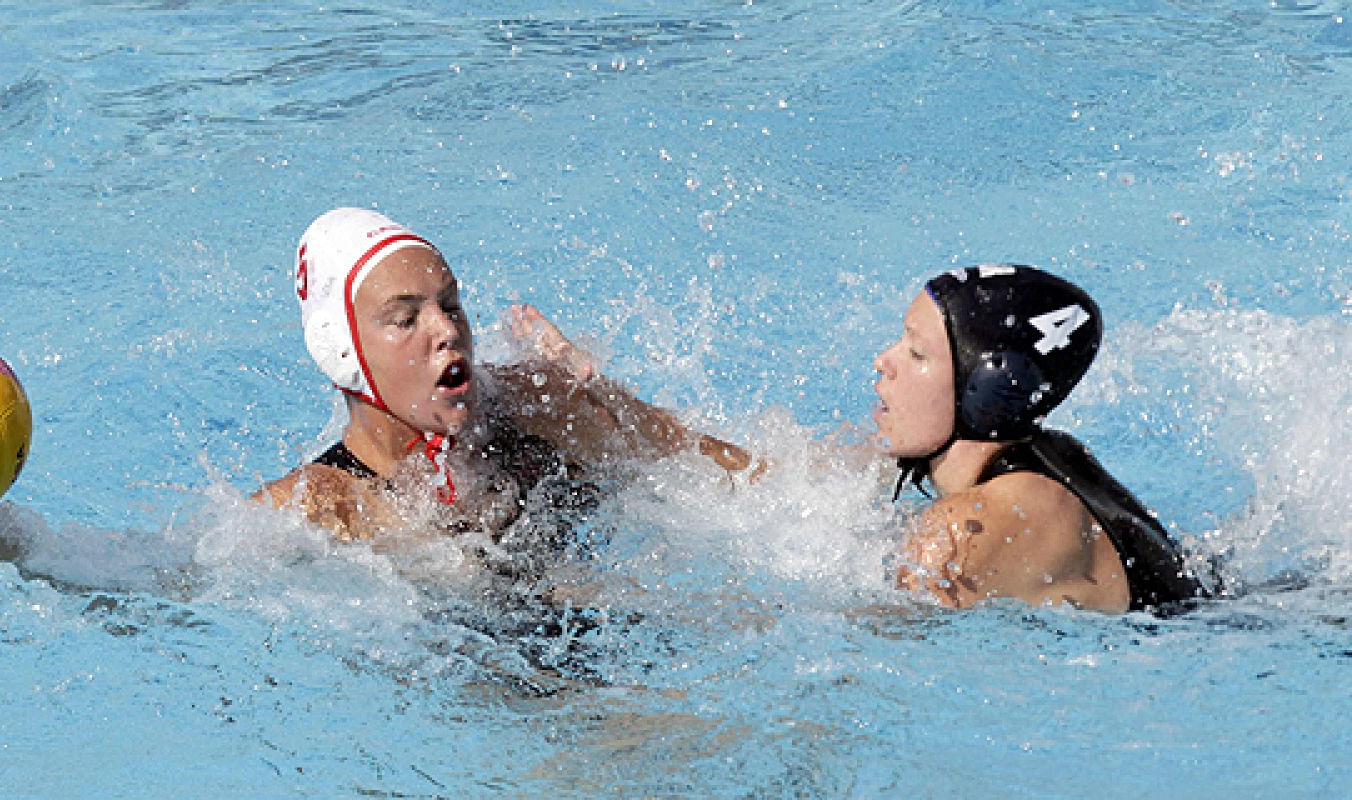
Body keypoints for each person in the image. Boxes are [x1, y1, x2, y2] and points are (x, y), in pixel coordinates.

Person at [254, 207, 755, 563]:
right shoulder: (315, 509)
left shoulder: (532, 405)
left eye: (450, 305)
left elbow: (733, 470)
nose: (447, 330)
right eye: (406, 319)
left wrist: (597, 395)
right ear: (340, 352)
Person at [873, 264, 1213, 613]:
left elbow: (879, 635)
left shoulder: (967, 531)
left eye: (917, 353)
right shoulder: (1044, 453)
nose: (882, 361)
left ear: (989, 389)